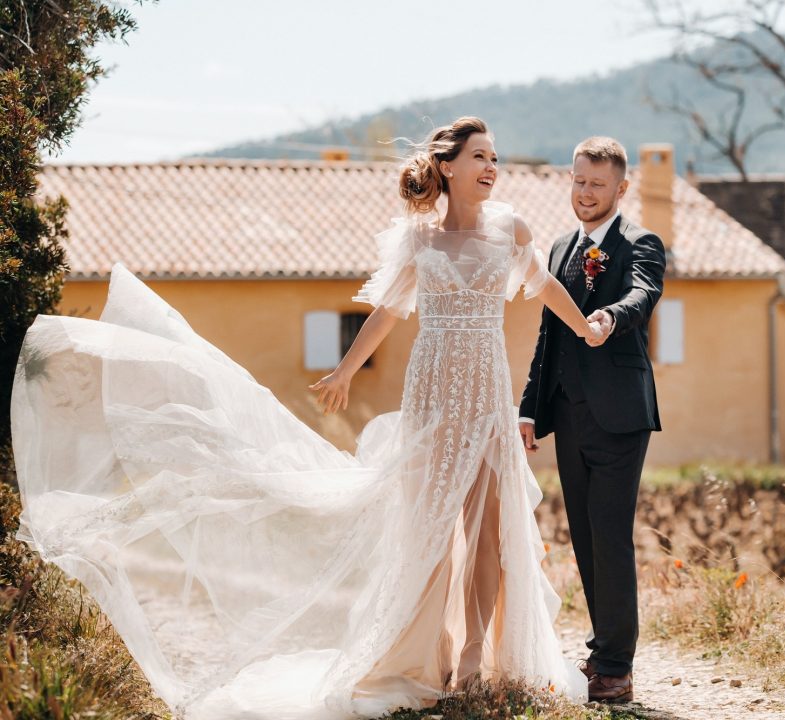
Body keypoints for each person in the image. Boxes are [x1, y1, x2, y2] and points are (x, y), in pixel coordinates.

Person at [11, 116, 593, 719]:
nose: (492, 167)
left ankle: (476, 653)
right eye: (480, 156)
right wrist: (345, 370)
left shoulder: (511, 230)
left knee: (492, 529)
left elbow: (544, 286)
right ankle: (432, 653)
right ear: (448, 167)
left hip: (487, 395)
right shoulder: (418, 242)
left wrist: (587, 327)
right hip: (434, 396)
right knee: (435, 532)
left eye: (495, 156)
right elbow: (385, 313)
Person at [518, 136, 665, 704]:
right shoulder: (557, 248)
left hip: (620, 414)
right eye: (578, 181)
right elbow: (549, 333)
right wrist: (531, 406)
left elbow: (643, 295)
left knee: (609, 533)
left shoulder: (640, 243)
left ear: (620, 188)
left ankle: (615, 668)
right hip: (568, 413)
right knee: (582, 534)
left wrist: (608, 315)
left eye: (596, 184)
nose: (584, 193)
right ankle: (601, 647)